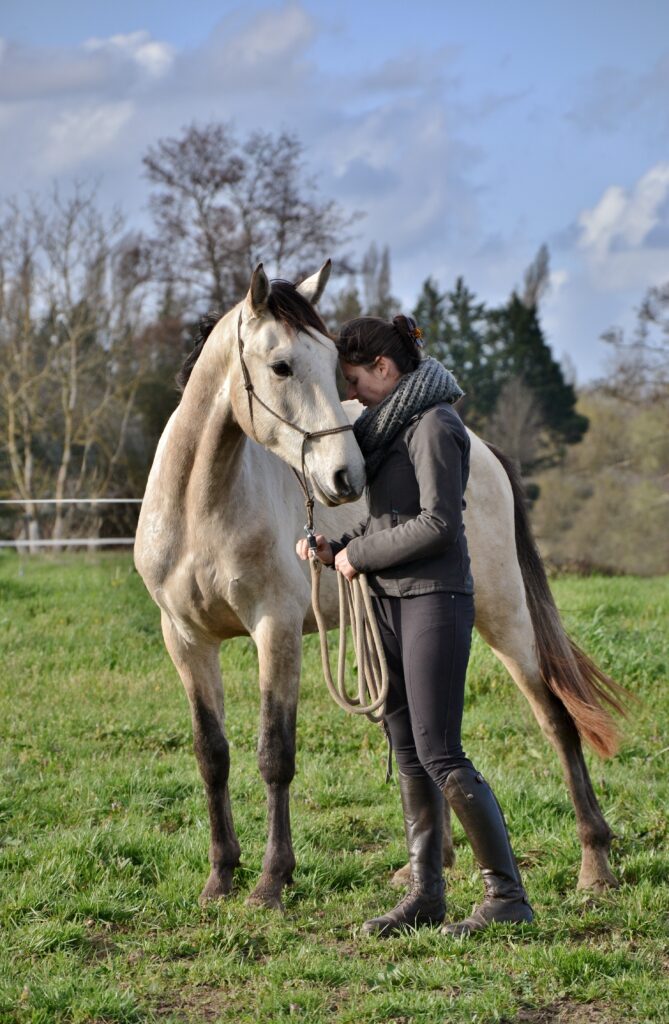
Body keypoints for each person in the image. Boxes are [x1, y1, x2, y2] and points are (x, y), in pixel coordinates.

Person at [296, 314, 533, 938]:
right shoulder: (389, 426)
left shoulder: (433, 426)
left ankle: (506, 896)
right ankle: (427, 893)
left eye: (354, 380)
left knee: (440, 753)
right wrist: (335, 547)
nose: (350, 396)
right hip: (391, 599)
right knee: (407, 753)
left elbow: (437, 526)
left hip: (433, 597)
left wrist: (359, 557)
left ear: (385, 368)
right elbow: (389, 520)